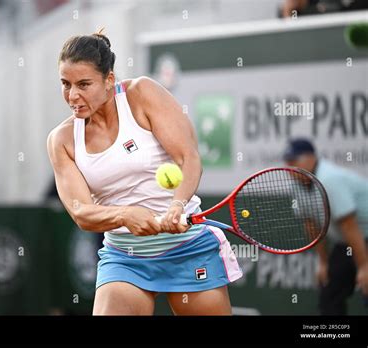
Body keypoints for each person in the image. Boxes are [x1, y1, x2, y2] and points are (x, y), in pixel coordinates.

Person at [46, 30, 242, 316]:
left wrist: (177, 204)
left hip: (187, 247)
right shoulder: (61, 140)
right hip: (125, 257)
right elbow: (80, 212)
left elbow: (188, 158)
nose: (73, 95)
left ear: (109, 80)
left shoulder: (142, 94)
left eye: (84, 84)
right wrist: (124, 215)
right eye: (66, 84)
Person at [283, 138, 368, 314]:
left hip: (360, 238)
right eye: (287, 161)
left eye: (294, 161)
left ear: (311, 158)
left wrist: (364, 267)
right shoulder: (296, 186)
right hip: (346, 244)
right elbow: (312, 225)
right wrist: (323, 263)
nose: (290, 167)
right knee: (329, 296)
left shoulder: (329, 179)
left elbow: (349, 225)